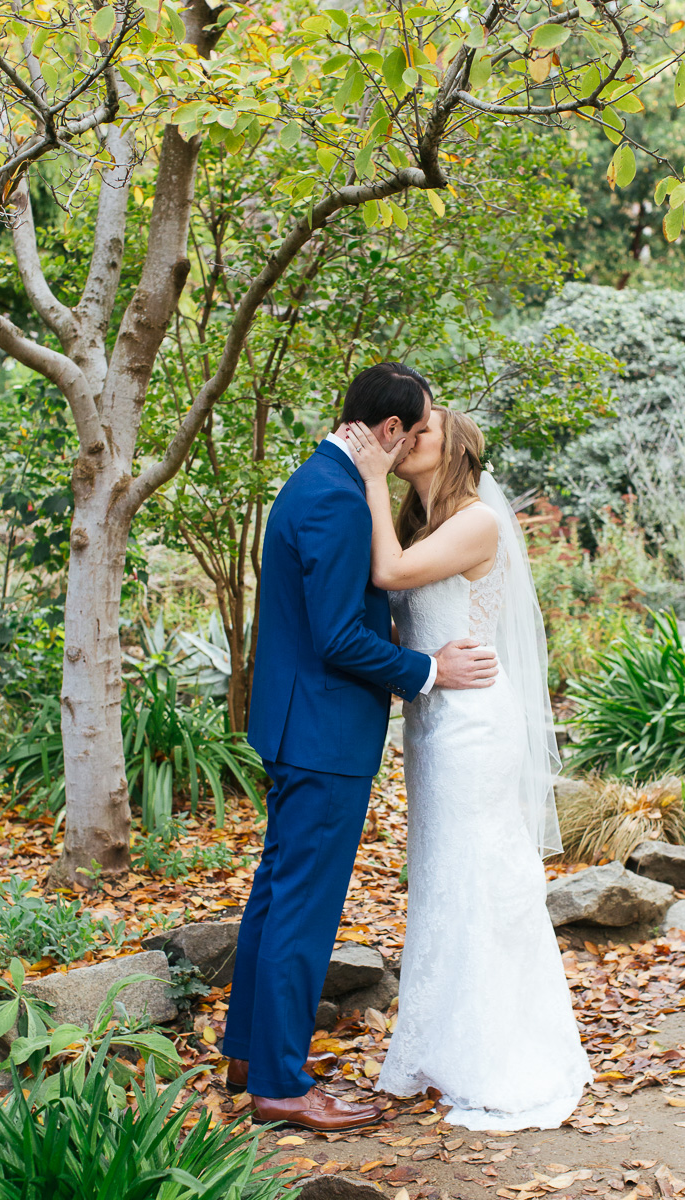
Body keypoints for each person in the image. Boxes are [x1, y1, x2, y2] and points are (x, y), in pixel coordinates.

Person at [222, 364, 499, 1133]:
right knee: (302, 913)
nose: (415, 447)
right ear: (388, 433)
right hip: (323, 736)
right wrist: (428, 669)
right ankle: (280, 1084)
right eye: (412, 433)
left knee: (277, 894)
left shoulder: (315, 482)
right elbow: (341, 636)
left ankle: (250, 1052)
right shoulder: (341, 501)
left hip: (298, 727)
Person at [344, 406, 593, 1131]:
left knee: (481, 877)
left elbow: (387, 571)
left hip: (475, 725)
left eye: (422, 433)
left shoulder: (478, 519)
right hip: (433, 721)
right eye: (405, 430)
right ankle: (448, 1046)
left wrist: (368, 476)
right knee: (445, 879)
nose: (406, 439)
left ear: (455, 450)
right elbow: (403, 611)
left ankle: (502, 1055)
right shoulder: (427, 525)